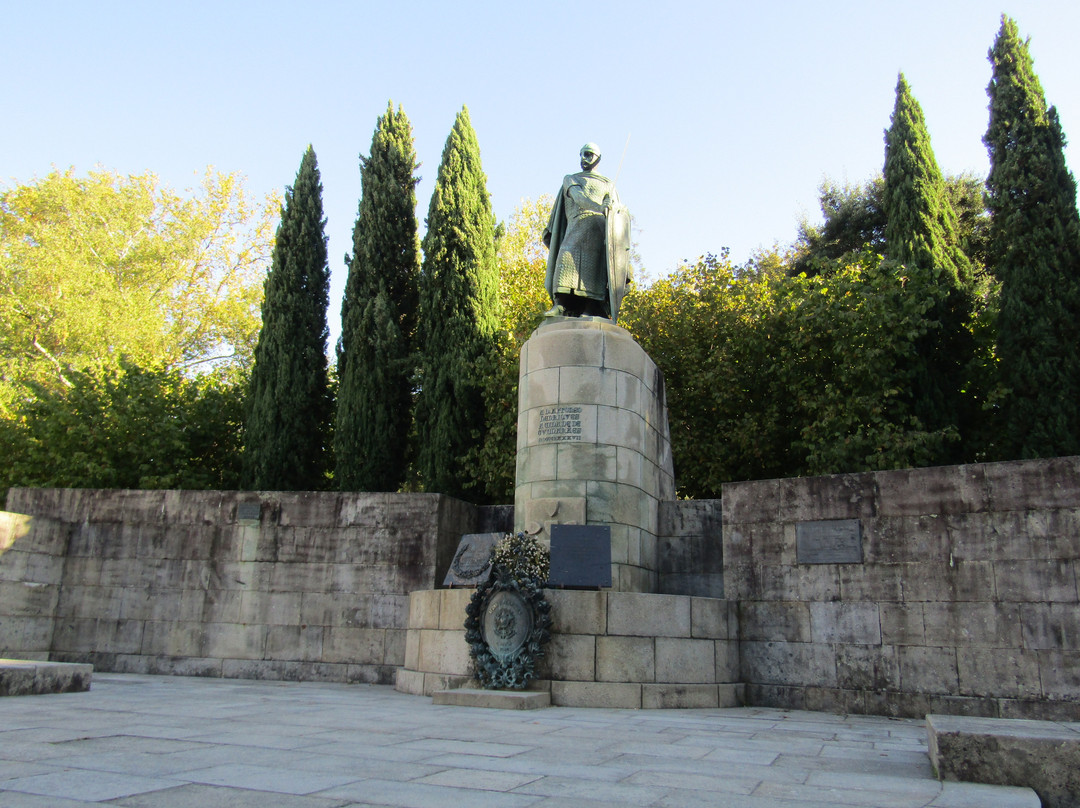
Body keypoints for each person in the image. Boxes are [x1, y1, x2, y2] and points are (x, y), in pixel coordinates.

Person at [542, 143, 631, 321]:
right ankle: (561, 304)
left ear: (598, 158)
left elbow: (618, 215)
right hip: (575, 226)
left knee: (595, 270)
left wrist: (610, 208)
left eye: (589, 155)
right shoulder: (571, 179)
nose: (584, 158)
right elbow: (578, 197)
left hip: (598, 230)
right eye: (582, 154)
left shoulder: (608, 184)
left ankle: (592, 307)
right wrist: (599, 206)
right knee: (566, 259)